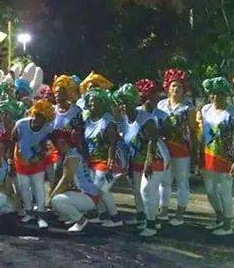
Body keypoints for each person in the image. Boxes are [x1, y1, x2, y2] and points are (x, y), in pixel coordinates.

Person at [116, 83, 166, 237]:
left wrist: (149, 162)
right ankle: (142, 217)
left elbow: (153, 140)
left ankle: (152, 224)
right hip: (135, 161)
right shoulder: (124, 120)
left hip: (153, 159)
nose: (124, 105)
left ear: (134, 101)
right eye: (121, 102)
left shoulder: (147, 119)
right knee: (137, 190)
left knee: (147, 190)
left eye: (127, 101)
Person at [198, 77, 234, 236]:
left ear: (225, 94)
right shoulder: (205, 110)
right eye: (213, 94)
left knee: (225, 193)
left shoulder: (233, 113)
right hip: (208, 157)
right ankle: (219, 219)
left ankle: (227, 226)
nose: (216, 97)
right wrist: (199, 156)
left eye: (220, 94)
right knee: (210, 192)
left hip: (226, 158)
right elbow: (203, 135)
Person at [156, 69, 196, 225]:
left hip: (182, 149)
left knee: (182, 182)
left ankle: (180, 213)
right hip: (164, 148)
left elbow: (193, 130)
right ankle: (163, 210)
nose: (176, 89)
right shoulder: (161, 105)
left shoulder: (188, 107)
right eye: (173, 85)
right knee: (164, 181)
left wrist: (194, 152)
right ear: (167, 87)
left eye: (179, 86)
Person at [80, 88, 123, 227]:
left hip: (105, 160)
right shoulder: (87, 121)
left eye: (96, 102)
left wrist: (110, 163)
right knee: (96, 189)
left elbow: (113, 142)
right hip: (91, 161)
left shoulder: (107, 120)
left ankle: (116, 218)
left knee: (100, 189)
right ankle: (101, 214)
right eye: (90, 102)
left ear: (102, 103)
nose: (93, 105)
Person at [12, 98, 54, 229]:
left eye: (42, 118)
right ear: (33, 113)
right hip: (21, 160)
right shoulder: (21, 124)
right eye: (37, 115)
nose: (38, 119)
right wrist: (16, 156)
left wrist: (37, 157)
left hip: (37, 162)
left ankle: (41, 215)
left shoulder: (47, 130)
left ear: (46, 119)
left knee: (38, 187)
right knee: (24, 187)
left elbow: (49, 147)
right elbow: (13, 139)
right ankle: (29, 212)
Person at [49, 129, 101, 232]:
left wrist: (53, 195)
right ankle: (76, 216)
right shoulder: (72, 153)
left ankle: (81, 221)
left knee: (56, 200)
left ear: (64, 142)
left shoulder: (72, 156)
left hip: (89, 197)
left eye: (58, 143)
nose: (56, 146)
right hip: (89, 194)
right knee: (59, 198)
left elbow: (66, 179)